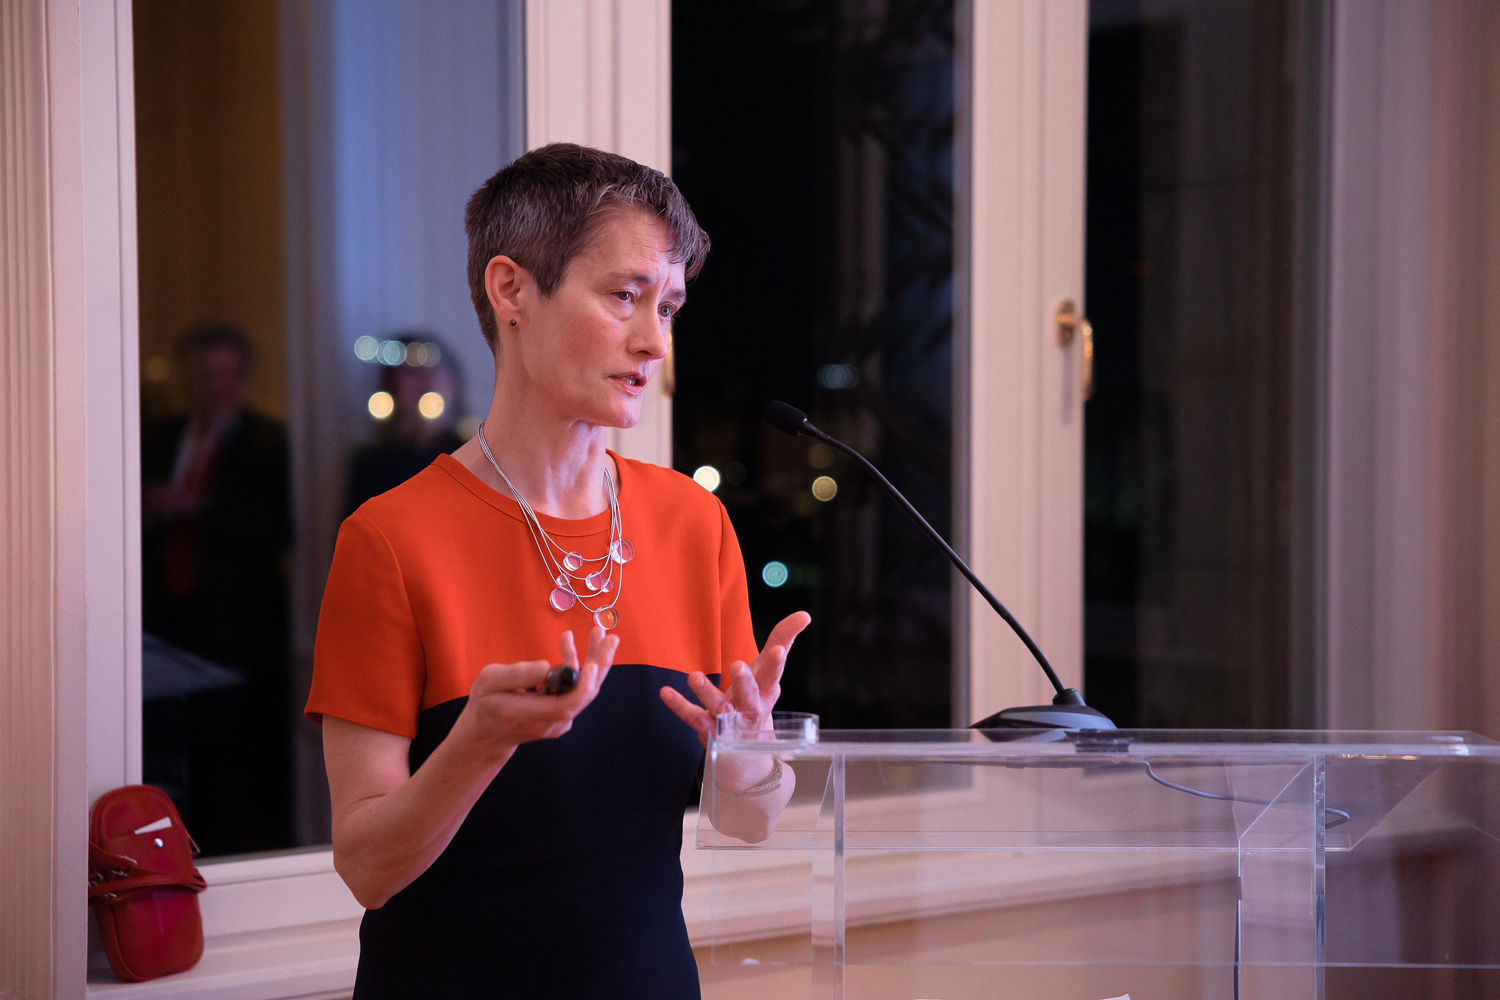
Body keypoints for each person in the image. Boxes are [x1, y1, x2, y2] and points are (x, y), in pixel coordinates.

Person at [305, 143, 811, 999]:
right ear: (511, 291)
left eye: (671, 306)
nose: (654, 341)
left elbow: (749, 822)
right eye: (623, 296)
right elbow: (367, 867)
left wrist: (752, 755)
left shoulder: (694, 524)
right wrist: (479, 742)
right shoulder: (389, 539)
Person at [141, 323, 293, 853]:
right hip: (167, 616)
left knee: (234, 761)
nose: (214, 384)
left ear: (242, 377)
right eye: (204, 373)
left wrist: (200, 508)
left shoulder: (269, 442)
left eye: (225, 372)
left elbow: (281, 529)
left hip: (237, 625)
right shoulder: (158, 438)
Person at [346, 333, 467, 514]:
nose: (403, 384)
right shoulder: (371, 464)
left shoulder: (467, 458)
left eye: (418, 373)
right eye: (399, 375)